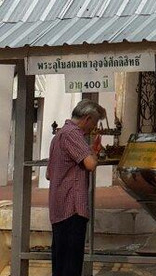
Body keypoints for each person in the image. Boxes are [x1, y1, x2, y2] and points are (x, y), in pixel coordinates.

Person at [47, 100, 105, 276]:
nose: (92, 129)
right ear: (87, 119)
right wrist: (93, 152)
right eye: (94, 124)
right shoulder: (73, 134)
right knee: (71, 264)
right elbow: (90, 164)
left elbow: (49, 174)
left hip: (58, 206)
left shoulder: (58, 136)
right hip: (71, 207)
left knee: (60, 261)